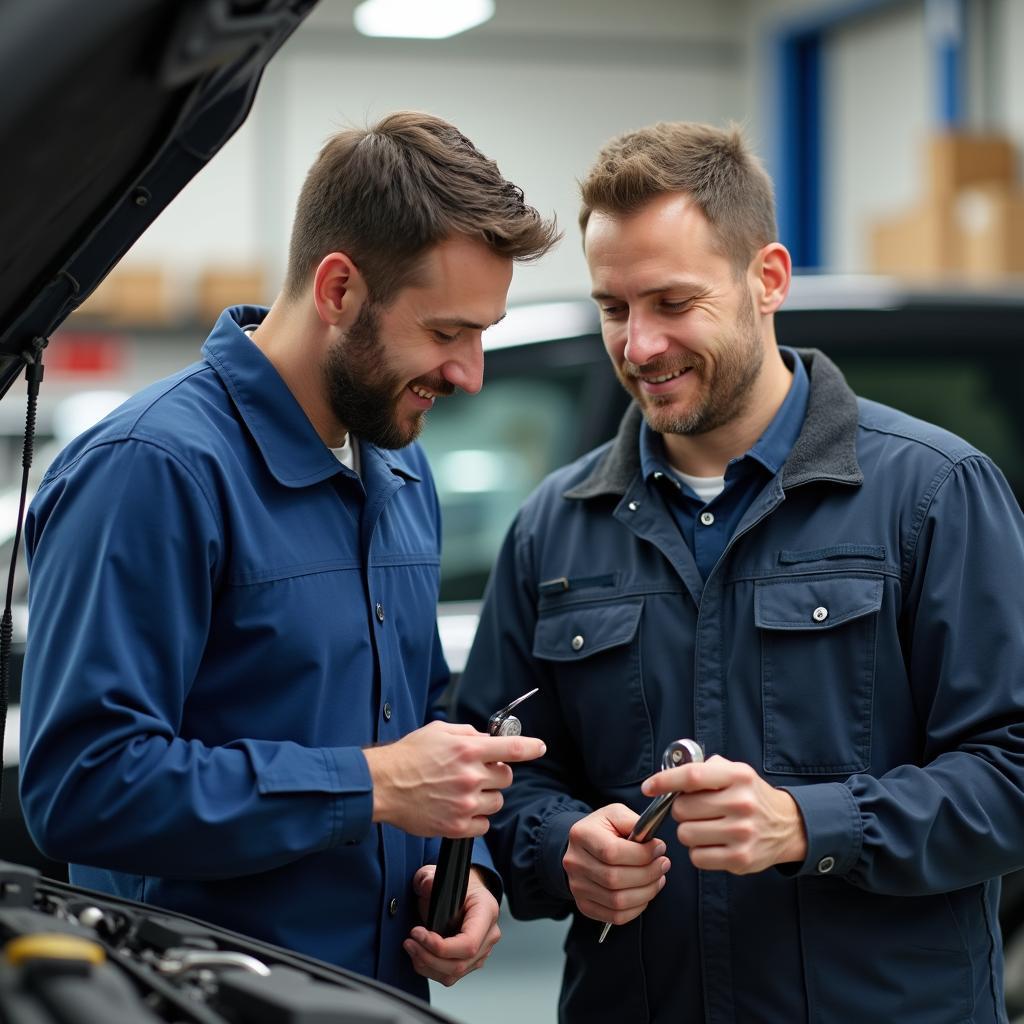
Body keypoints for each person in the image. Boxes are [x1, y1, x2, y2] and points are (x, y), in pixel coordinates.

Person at [455, 120, 1024, 1022]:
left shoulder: (935, 496)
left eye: (672, 303)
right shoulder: (553, 529)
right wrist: (560, 843)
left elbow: (1012, 770)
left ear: (767, 279)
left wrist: (812, 824)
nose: (639, 345)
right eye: (613, 308)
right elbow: (494, 783)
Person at [19, 111, 557, 1000]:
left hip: (376, 996)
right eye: (446, 332)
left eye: (482, 335)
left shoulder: (398, 464)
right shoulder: (152, 473)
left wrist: (467, 874)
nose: (470, 373)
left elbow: (418, 723)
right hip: (204, 998)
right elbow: (84, 786)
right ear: (339, 289)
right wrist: (370, 785)